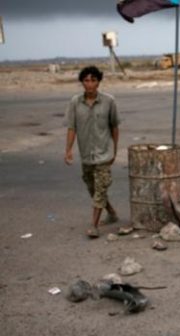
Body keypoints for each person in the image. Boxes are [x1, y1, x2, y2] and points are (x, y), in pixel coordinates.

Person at [64, 65, 120, 239]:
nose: (89, 84)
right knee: (93, 189)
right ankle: (111, 213)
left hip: (104, 154)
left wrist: (115, 150)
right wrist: (68, 150)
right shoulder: (75, 102)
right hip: (86, 154)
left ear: (99, 82)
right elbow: (72, 127)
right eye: (86, 80)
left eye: (93, 80)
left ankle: (94, 226)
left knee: (101, 188)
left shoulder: (109, 101)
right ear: (82, 82)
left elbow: (114, 126)